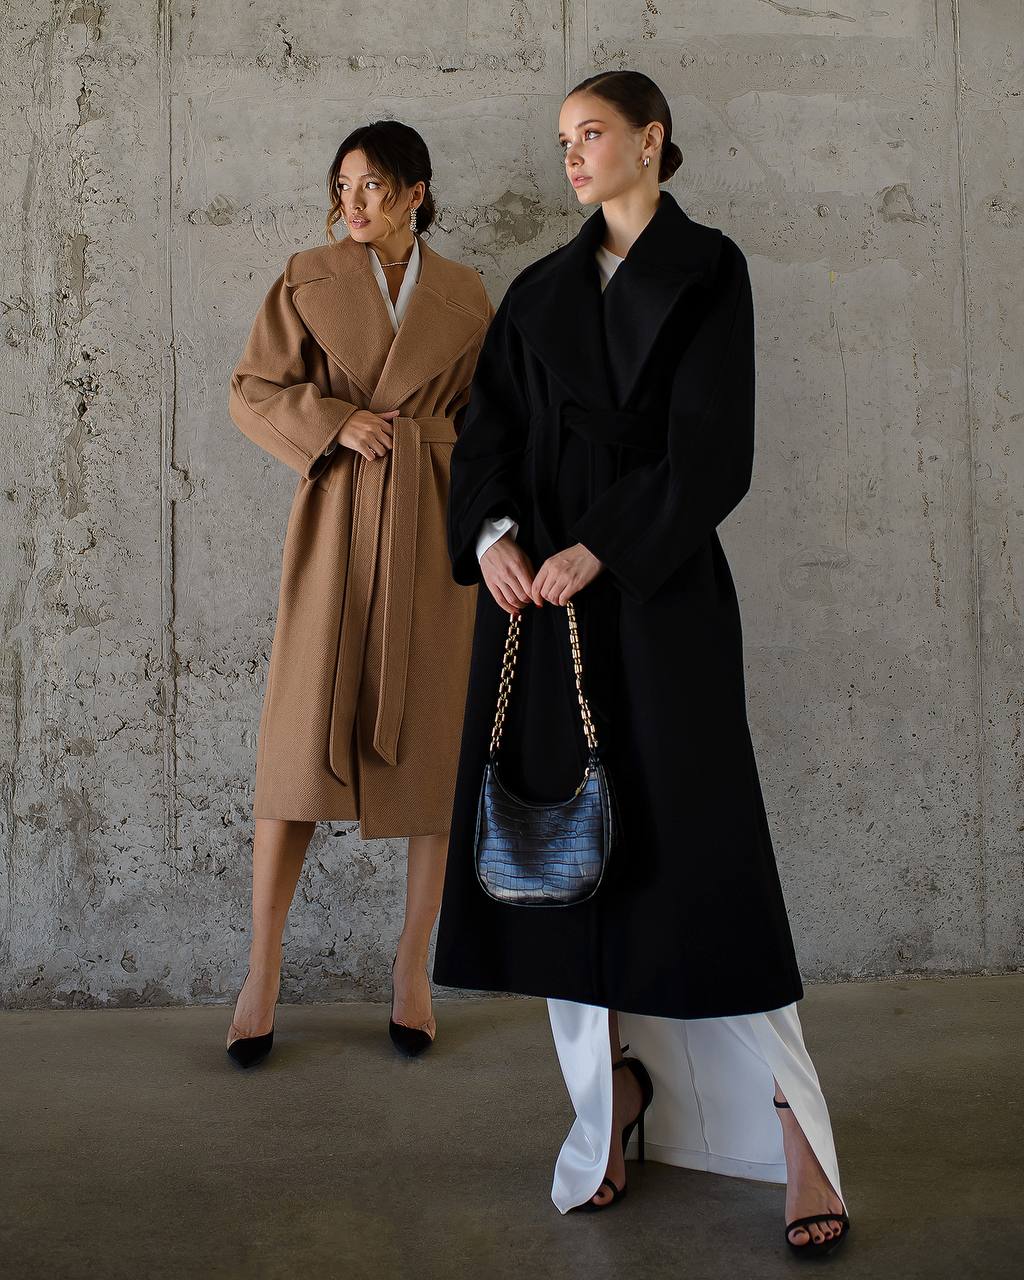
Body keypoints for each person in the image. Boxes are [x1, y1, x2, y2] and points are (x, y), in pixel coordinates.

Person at [432, 70, 851, 1256]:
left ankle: (797, 1125)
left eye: (593, 134)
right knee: (569, 866)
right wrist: (496, 539)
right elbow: (488, 436)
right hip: (542, 611)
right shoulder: (536, 291)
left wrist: (599, 546)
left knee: (705, 858)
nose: (571, 156)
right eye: (562, 139)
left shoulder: (710, 270)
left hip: (656, 598)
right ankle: (607, 1096)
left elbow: (716, 452)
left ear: (650, 141)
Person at [225, 120, 491, 1065]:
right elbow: (252, 389)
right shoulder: (308, 276)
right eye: (344, 185)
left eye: (375, 186)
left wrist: (442, 462)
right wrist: (338, 423)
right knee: (297, 749)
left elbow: (488, 416)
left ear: (417, 191)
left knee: (430, 750)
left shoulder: (463, 294)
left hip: (432, 527)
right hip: (335, 523)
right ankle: (262, 968)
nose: (356, 202)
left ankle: (411, 967)